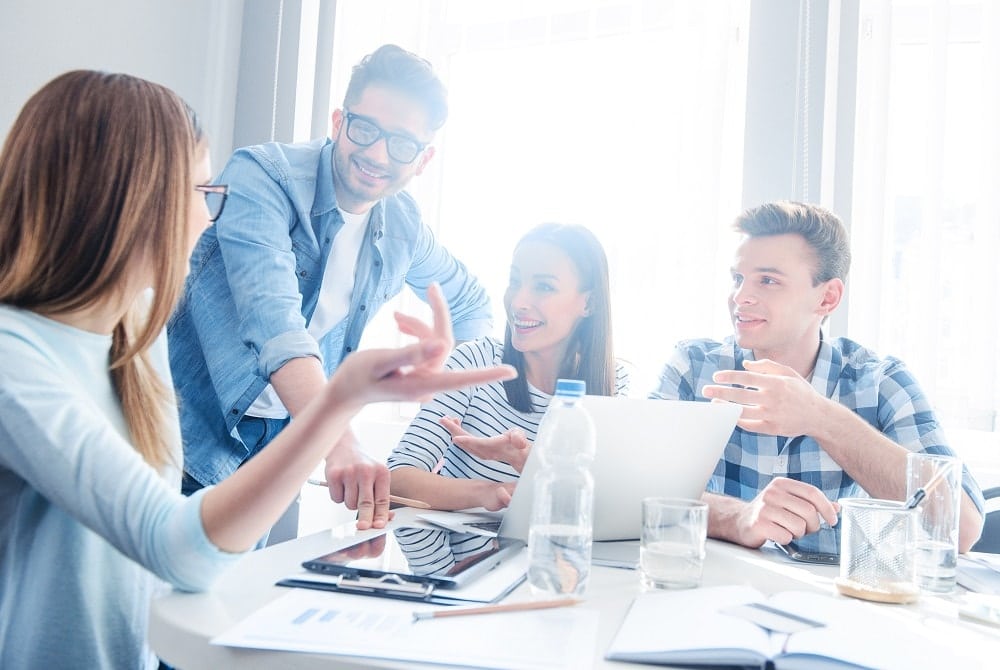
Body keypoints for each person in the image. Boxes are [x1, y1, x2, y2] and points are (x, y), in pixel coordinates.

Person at [0, 70, 514, 670]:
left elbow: (155, 588)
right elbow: (274, 325)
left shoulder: (135, 331)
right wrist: (338, 406)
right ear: (128, 202)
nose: (208, 217)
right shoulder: (17, 358)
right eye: (200, 193)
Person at [167, 44, 492, 532]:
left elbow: (472, 303)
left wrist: (450, 401)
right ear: (339, 121)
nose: (378, 154)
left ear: (423, 160)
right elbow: (275, 325)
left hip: (277, 450)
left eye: (402, 144)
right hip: (181, 429)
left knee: (233, 601)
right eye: (365, 129)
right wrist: (338, 440)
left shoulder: (403, 226)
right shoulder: (263, 177)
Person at [651, 202, 984, 554]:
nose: (740, 297)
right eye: (738, 279)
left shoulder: (882, 382)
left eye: (768, 280)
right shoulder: (693, 366)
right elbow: (635, 490)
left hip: (841, 601)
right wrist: (739, 518)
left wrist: (819, 416)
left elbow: (960, 528)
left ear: (828, 297)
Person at [389, 223, 629, 510]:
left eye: (543, 286)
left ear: (588, 303)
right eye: (515, 281)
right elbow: (398, 477)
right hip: (458, 554)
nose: (518, 301)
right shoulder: (474, 362)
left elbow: (604, 502)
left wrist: (528, 462)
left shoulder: (613, 382)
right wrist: (491, 493)